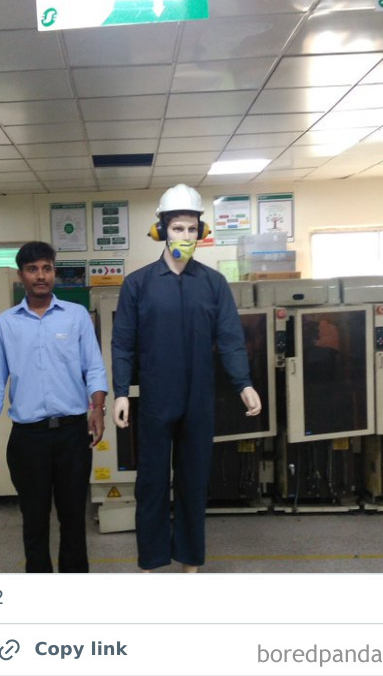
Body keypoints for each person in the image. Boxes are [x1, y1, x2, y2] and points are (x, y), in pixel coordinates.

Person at [111, 184, 261, 572]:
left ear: (202, 231)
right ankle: (151, 561)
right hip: (156, 401)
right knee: (151, 483)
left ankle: (191, 561)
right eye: (178, 228)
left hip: (199, 401)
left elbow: (230, 338)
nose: (186, 236)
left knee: (194, 482)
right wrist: (121, 391)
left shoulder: (213, 283)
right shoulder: (138, 284)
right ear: (162, 230)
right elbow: (123, 343)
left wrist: (243, 383)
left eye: (193, 229)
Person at [0, 241, 108, 573]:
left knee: (73, 520)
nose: (41, 276)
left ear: (54, 272)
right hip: (28, 439)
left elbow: (94, 368)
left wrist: (97, 408)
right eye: (32, 269)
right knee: (34, 522)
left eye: (47, 268)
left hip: (72, 436)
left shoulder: (76, 316)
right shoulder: (6, 323)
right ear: (21, 275)